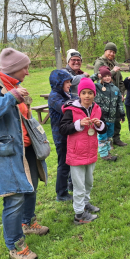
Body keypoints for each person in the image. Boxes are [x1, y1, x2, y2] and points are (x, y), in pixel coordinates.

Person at [0, 48, 48, 259]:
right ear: (14, 68)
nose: (27, 72)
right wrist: (10, 98)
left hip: (27, 149)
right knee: (15, 198)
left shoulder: (16, 86)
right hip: (6, 153)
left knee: (31, 189)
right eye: (24, 67)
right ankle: (15, 245)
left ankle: (28, 223)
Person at [59, 78, 107, 224]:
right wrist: (78, 124)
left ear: (94, 94)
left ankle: (85, 204)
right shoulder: (71, 110)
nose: (87, 96)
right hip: (76, 154)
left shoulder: (97, 109)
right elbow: (63, 128)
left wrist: (99, 124)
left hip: (91, 151)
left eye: (90, 93)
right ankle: (79, 215)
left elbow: (103, 128)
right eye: (84, 93)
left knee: (88, 182)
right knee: (79, 186)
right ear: (79, 94)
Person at [92, 42, 127, 147]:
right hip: (104, 96)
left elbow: (120, 81)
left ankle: (116, 138)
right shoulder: (99, 62)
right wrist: (113, 71)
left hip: (115, 94)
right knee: (105, 119)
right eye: (110, 51)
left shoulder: (115, 63)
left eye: (114, 52)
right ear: (105, 51)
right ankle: (107, 141)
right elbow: (100, 77)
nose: (112, 54)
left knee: (116, 118)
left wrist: (121, 93)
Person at [48, 69, 75, 201]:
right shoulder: (54, 96)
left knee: (71, 161)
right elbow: (65, 107)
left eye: (70, 81)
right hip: (61, 136)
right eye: (67, 82)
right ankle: (61, 193)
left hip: (69, 134)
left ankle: (71, 184)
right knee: (64, 164)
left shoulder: (66, 95)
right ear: (59, 83)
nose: (70, 84)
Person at [94, 66, 125, 161]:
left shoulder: (115, 88)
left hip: (112, 117)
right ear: (101, 77)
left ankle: (107, 152)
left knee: (109, 136)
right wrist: (96, 75)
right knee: (103, 136)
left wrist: (122, 114)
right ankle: (104, 155)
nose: (107, 78)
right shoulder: (97, 87)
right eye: (104, 76)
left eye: (109, 76)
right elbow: (86, 81)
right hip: (101, 118)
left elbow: (119, 102)